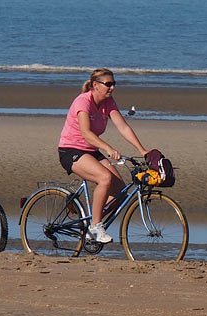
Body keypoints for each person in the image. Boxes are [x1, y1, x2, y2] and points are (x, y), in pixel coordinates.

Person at [57, 68, 149, 243]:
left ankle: (91, 219)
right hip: (70, 151)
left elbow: (123, 127)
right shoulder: (83, 101)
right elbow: (86, 133)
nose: (112, 88)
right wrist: (108, 148)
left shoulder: (108, 102)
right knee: (105, 178)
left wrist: (142, 150)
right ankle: (95, 227)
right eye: (108, 84)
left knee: (120, 191)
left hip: (91, 150)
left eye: (114, 84)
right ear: (95, 85)